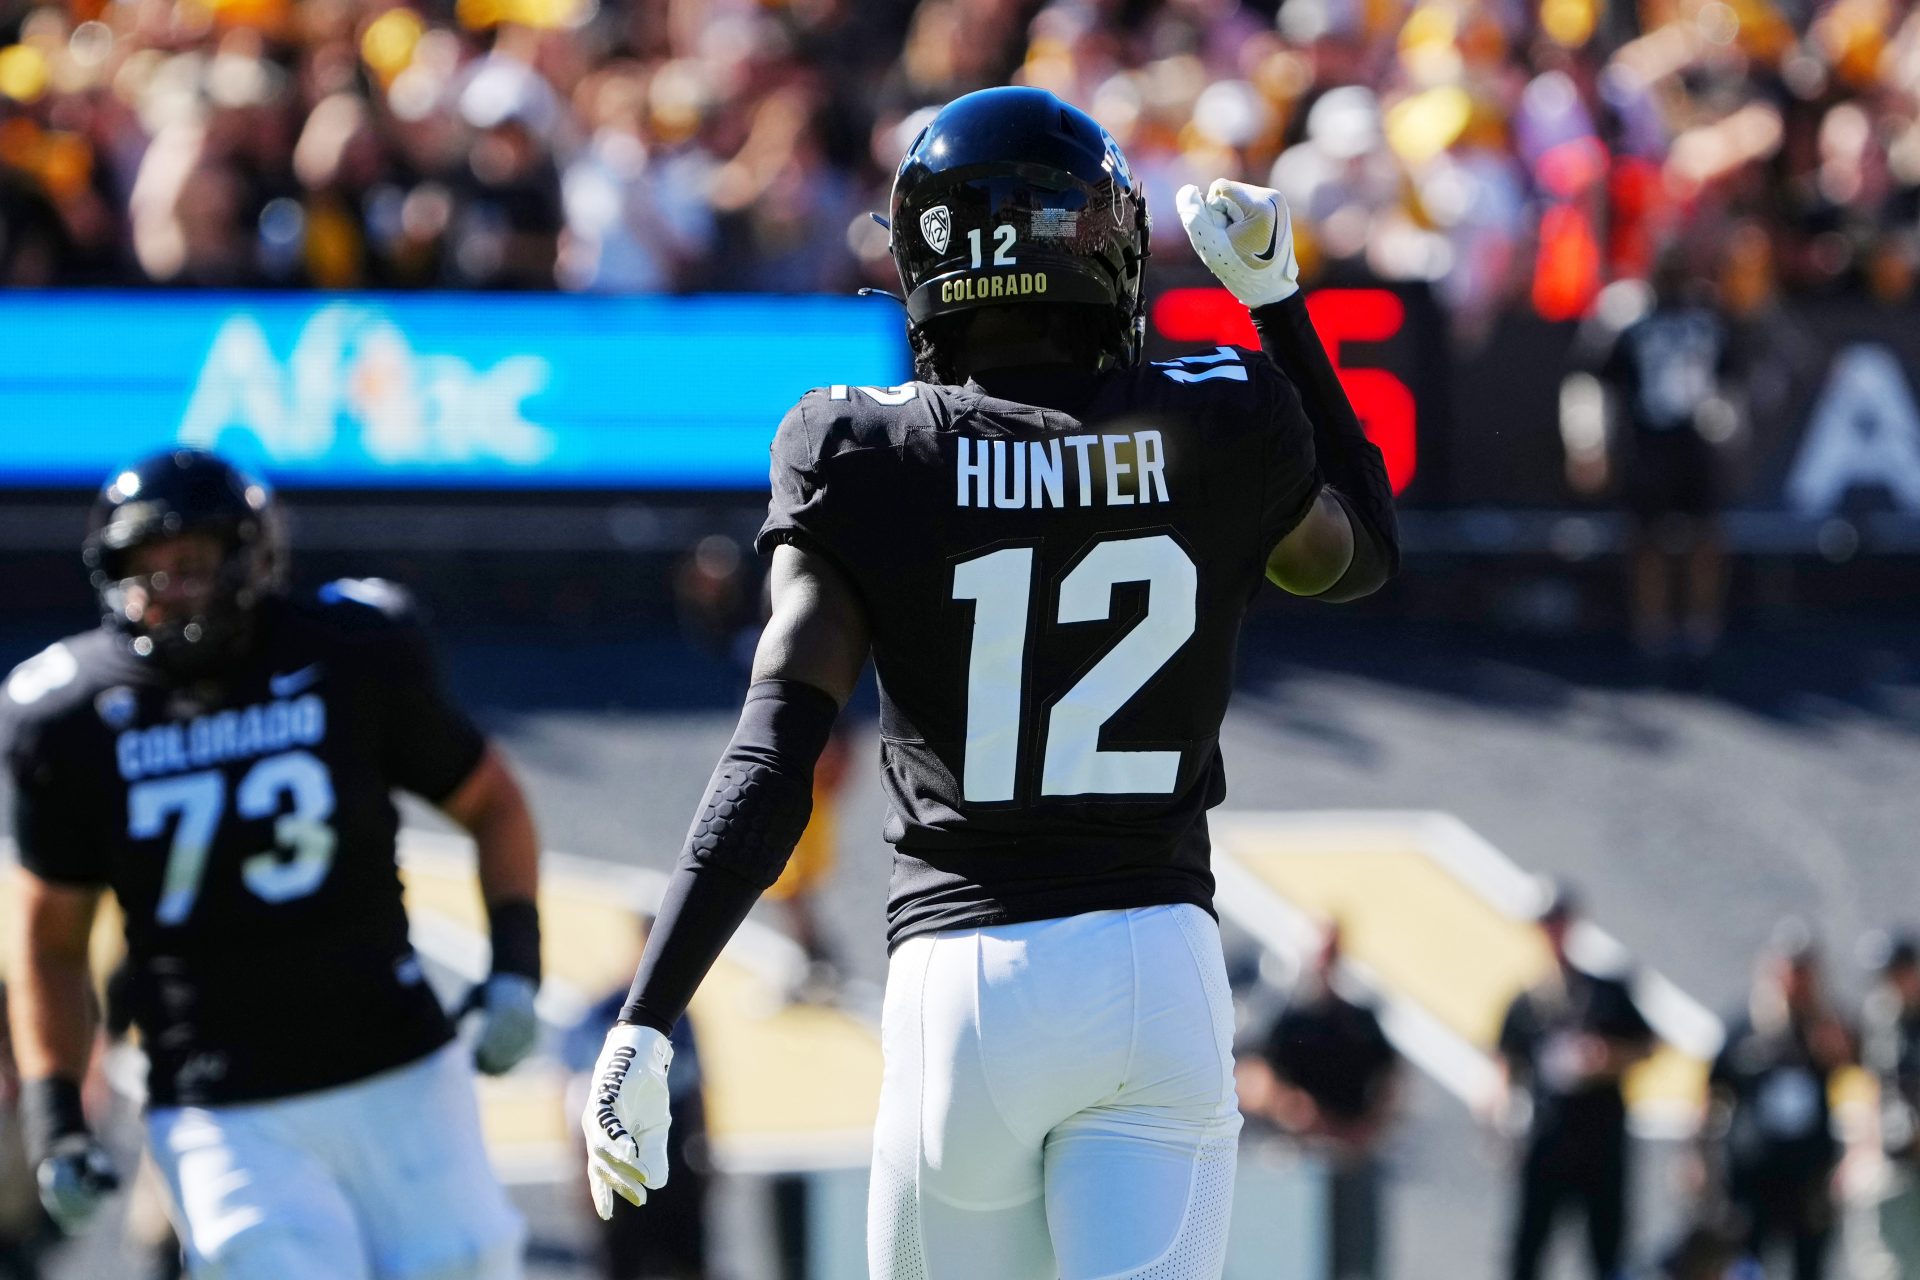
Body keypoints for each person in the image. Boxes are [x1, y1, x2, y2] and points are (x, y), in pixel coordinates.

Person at [580, 85, 1399, 1280]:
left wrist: (650, 1010)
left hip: (966, 981)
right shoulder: (1215, 415)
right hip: (1156, 968)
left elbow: (774, 749)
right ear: (1102, 245)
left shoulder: (860, 442)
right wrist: (1278, 305)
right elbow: (1364, 552)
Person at [1, 448, 542, 1279]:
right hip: (219, 1097)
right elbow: (50, 940)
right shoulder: (67, 717)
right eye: (145, 569)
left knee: (464, 1261)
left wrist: (515, 968)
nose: (166, 590)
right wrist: (55, 1117)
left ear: (250, 559)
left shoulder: (351, 650)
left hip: (395, 1062)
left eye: (189, 563)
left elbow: (492, 805)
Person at [1492, 882, 1655, 1280]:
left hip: (1600, 1138)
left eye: (1558, 921)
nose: (1553, 932)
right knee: (1529, 1247)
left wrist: (1607, 1058)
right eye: (1546, 924)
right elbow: (1504, 1063)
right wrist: (1500, 1118)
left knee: (1607, 1250)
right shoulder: (1526, 1003)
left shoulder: (1606, 993)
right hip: (1547, 1140)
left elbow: (1647, 1046)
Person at [1238, 923, 1401, 1280]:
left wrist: (1367, 1127)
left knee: (1355, 1256)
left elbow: (1392, 1078)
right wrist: (1291, 1107)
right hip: (1299, 1157)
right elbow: (1252, 1075)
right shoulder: (1289, 1020)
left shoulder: (1359, 1019)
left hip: (1350, 1154)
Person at [1703, 921, 1855, 1280]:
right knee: (1747, 1266)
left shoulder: (1828, 1028)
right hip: (1752, 1175)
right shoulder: (1745, 1027)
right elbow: (1713, 1095)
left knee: (1809, 1268)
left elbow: (1863, 1080)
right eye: (1789, 970)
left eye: (1804, 971)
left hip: (1810, 1179)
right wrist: (1700, 1161)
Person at [562, 920, 708, 1280]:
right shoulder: (601, 1014)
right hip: (619, 1157)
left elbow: (695, 1091)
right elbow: (577, 1098)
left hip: (672, 1156)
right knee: (623, 1260)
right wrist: (578, 1166)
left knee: (686, 1262)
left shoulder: (683, 1016)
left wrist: (707, 1154)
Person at [1856, 933, 1920, 1279]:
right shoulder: (1881, 1019)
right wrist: (1863, 1148)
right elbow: (1874, 1088)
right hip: (1896, 1162)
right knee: (1891, 1262)